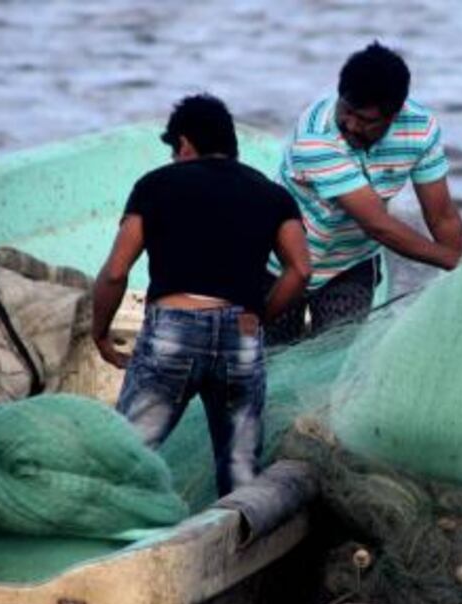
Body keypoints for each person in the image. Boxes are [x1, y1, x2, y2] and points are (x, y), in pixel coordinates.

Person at [92, 94, 310, 497]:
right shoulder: (271, 194)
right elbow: (300, 269)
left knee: (129, 455)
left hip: (173, 330)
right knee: (241, 467)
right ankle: (239, 547)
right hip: (242, 333)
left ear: (185, 143)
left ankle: (111, 541)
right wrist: (258, 318)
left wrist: (100, 331)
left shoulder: (156, 185)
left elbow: (116, 271)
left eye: (176, 150)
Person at [265, 41, 462, 343]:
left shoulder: (420, 130)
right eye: (347, 110)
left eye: (365, 120)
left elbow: (442, 216)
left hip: (350, 264)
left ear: (393, 115)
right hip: (282, 262)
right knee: (268, 361)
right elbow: (377, 225)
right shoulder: (316, 138)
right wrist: (449, 259)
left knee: (332, 358)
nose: (350, 124)